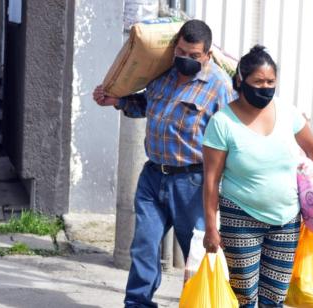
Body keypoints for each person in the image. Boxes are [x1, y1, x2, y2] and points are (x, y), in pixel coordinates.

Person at [93, 19, 235, 308]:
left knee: (197, 254)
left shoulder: (219, 86)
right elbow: (146, 105)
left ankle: (201, 303)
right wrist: (117, 101)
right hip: (153, 176)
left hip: (192, 183)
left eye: (193, 55)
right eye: (181, 52)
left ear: (207, 55)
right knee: (143, 247)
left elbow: (232, 136)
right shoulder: (163, 75)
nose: (185, 59)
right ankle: (137, 303)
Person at [202, 45, 313, 308]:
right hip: (240, 218)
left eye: (271, 82)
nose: (265, 87)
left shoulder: (287, 112)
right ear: (240, 81)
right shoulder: (223, 123)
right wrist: (211, 227)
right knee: (244, 297)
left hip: (287, 219)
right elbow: (211, 180)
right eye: (258, 81)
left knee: (275, 299)